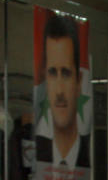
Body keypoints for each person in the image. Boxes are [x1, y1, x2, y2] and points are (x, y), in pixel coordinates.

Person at [35, 12, 90, 171]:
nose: (59, 91)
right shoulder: (36, 152)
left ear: (79, 80)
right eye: (52, 73)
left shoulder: (94, 153)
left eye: (66, 73)